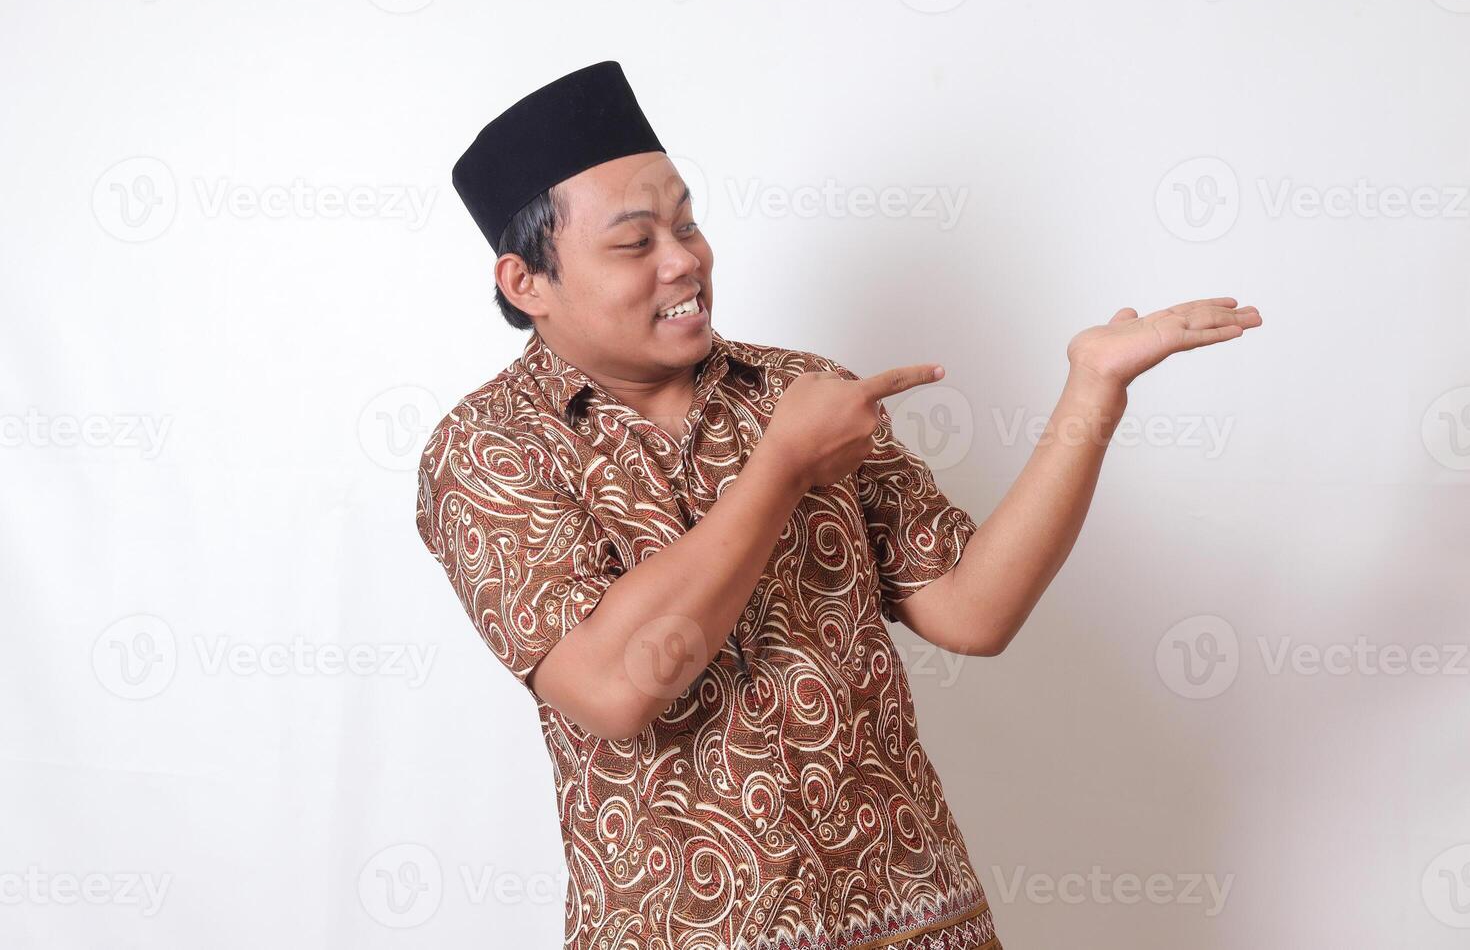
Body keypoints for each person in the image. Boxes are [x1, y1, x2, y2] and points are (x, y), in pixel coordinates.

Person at [415, 60, 1262, 950]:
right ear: (526, 283)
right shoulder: (488, 449)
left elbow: (975, 609)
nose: (684, 260)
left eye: (689, 223)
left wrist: (1094, 389)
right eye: (635, 244)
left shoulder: (803, 389)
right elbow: (615, 688)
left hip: (917, 917)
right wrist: (780, 471)